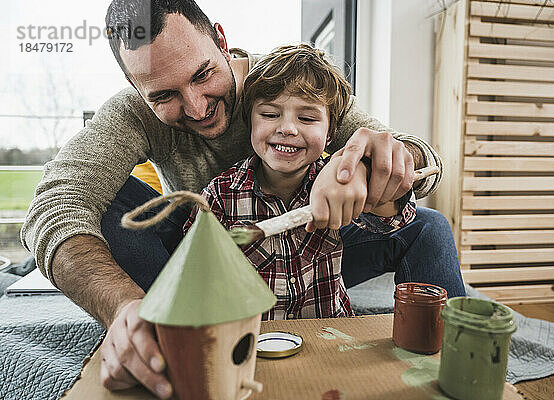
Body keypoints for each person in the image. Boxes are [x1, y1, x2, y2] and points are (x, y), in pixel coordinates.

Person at [19, 1, 464, 398]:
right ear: (139, 92)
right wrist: (120, 305)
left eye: (202, 75)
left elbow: (421, 162)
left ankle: (461, 360)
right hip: (200, 259)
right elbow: (53, 206)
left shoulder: (289, 82)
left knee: (428, 227)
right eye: (165, 96)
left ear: (222, 41)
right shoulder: (130, 116)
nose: (196, 107)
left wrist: (369, 165)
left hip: (310, 248)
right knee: (112, 200)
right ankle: (165, 325)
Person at [185, 43, 417, 320]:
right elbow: (191, 276)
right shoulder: (219, 196)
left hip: (330, 334)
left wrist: (364, 177)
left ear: (331, 135)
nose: (287, 128)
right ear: (250, 124)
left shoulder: (338, 181)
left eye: (307, 118)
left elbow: (394, 220)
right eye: (270, 115)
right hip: (256, 339)